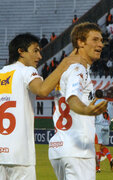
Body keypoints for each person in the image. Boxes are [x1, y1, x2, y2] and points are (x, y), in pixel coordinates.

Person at [0, 33, 81, 180]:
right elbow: (42, 90)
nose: (40, 56)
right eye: (35, 50)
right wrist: (64, 63)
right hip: (19, 157)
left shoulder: (1, 74)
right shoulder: (27, 71)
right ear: (21, 52)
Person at [48, 22, 108, 180]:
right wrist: (87, 110)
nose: (100, 44)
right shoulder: (78, 69)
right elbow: (72, 99)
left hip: (59, 147)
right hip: (78, 150)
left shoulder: (67, 68)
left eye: (101, 40)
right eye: (95, 40)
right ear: (80, 42)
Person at [94, 89, 113, 173]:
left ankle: (97, 168)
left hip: (98, 126)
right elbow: (111, 115)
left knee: (97, 148)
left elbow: (93, 114)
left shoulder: (94, 103)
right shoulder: (108, 103)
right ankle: (111, 158)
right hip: (107, 126)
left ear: (95, 96)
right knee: (102, 146)